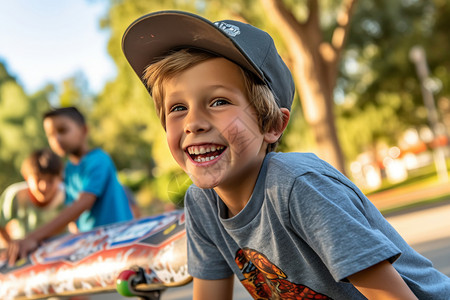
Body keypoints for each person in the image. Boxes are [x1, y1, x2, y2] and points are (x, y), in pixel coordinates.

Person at [121, 11, 450, 299]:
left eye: (219, 101)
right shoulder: (202, 203)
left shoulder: (298, 188)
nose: (193, 123)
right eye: (177, 108)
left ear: (273, 125)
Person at [5, 107, 133, 266]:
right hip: (94, 248)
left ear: (84, 130)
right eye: (50, 134)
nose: (56, 138)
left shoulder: (99, 160)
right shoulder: (69, 170)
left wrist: (34, 237)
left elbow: (83, 203)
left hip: (118, 243)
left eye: (62, 130)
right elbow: (72, 216)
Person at [0, 149, 65, 248]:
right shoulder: (16, 195)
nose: (44, 186)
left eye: (50, 180)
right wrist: (12, 247)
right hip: (24, 251)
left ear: (60, 178)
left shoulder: (66, 195)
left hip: (59, 249)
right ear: (26, 177)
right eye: (38, 179)